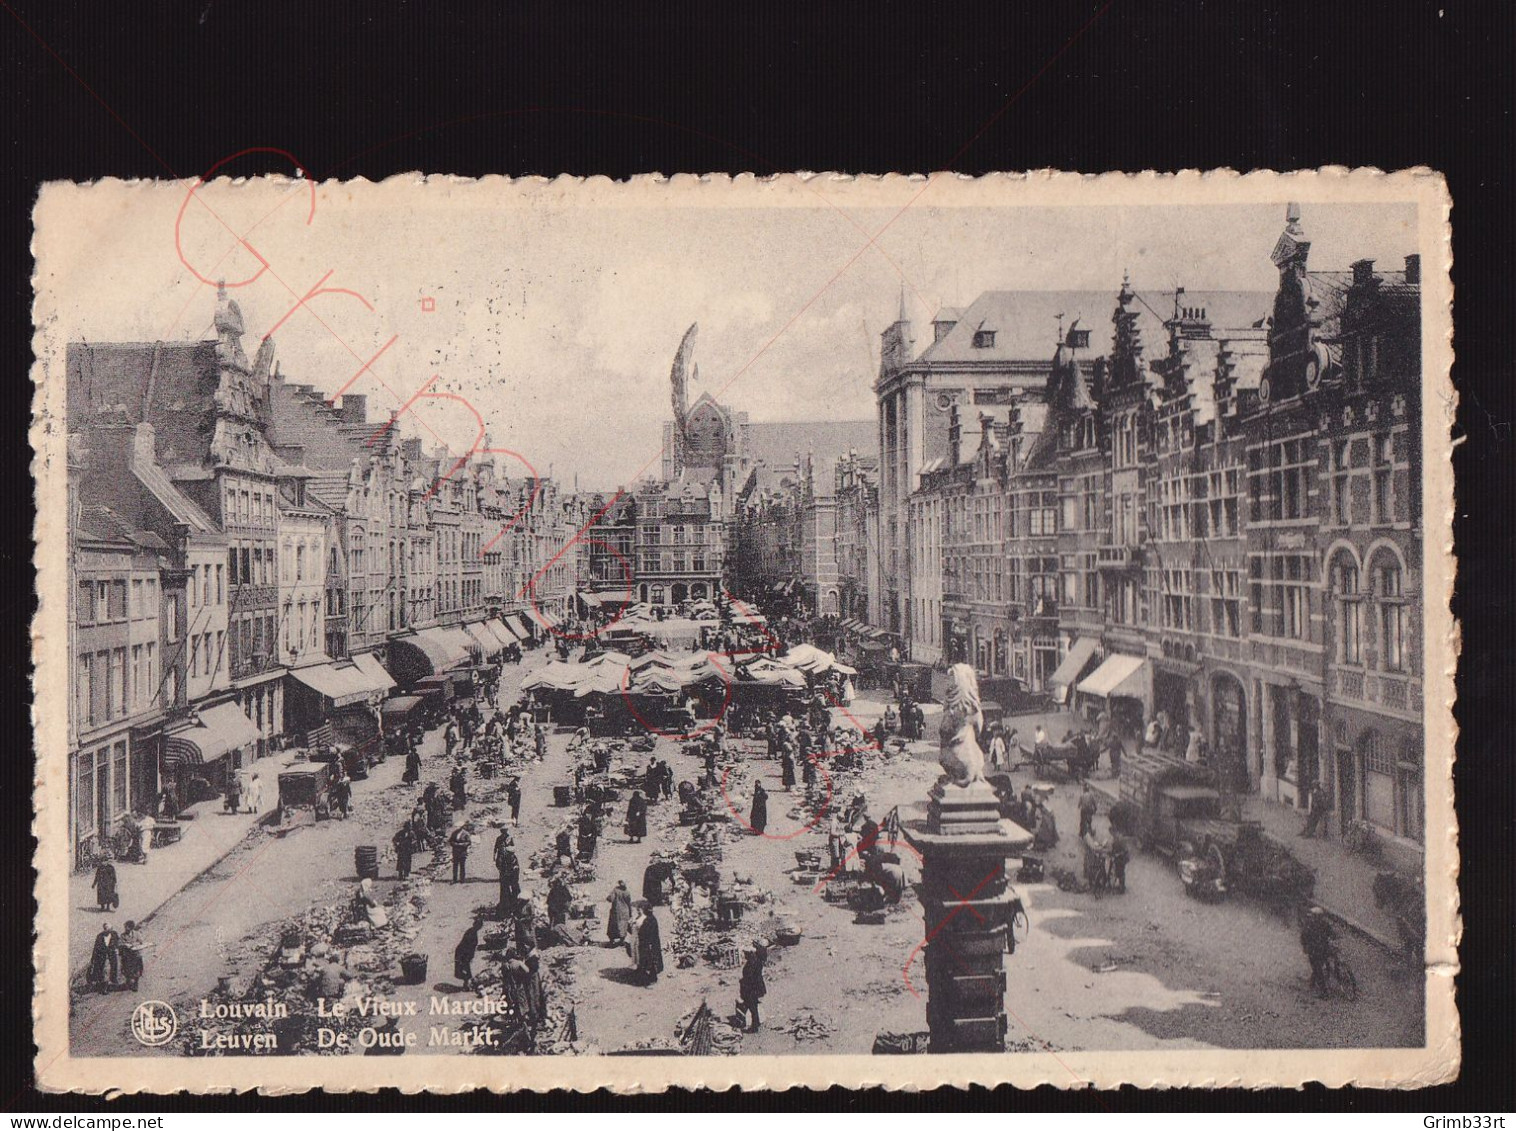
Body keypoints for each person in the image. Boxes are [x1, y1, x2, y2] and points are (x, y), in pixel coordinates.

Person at [1299, 906, 1338, 997]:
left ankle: (1324, 992)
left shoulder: (1309, 925)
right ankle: (1312, 983)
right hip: (1324, 950)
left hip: (1314, 950)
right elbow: (1332, 934)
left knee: (1317, 968)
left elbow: (1303, 937)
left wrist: (1305, 946)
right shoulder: (1325, 924)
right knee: (1318, 966)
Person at [735, 940, 769, 1032]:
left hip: (752, 988)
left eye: (746, 954)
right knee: (753, 1006)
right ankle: (755, 1022)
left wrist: (743, 982)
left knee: (752, 1006)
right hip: (756, 986)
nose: (744, 956)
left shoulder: (751, 963)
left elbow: (749, 977)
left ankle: (754, 1026)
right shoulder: (757, 960)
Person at [118, 920, 152, 992]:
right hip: (127, 956)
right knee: (126, 970)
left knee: (137, 971)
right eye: (125, 927)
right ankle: (128, 982)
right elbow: (119, 944)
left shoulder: (137, 934)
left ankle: (136, 984)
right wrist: (125, 945)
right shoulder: (122, 935)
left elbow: (141, 942)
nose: (125, 929)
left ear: (131, 928)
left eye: (127, 927)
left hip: (136, 955)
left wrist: (134, 944)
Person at [635, 903, 664, 985]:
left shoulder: (647, 921)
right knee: (652, 960)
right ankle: (650, 976)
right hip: (653, 943)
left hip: (647, 944)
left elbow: (643, 932)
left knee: (649, 961)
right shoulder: (653, 919)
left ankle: (649, 978)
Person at [87, 923, 119, 992]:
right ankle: (104, 988)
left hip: (111, 956)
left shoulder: (114, 934)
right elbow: (96, 948)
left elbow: (118, 943)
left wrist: (117, 949)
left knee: (111, 970)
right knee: (104, 971)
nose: (107, 931)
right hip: (102, 957)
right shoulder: (99, 936)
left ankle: (110, 984)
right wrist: (93, 959)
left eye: (109, 929)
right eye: (105, 929)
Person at [494, 830, 520, 915]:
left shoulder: (513, 860)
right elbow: (496, 848)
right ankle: (506, 908)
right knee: (505, 892)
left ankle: (515, 905)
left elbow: (515, 872)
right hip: (506, 877)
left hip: (511, 878)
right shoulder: (505, 858)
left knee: (514, 890)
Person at [454, 916, 483, 991]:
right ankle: (466, 985)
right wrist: (468, 957)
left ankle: (467, 984)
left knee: (466, 969)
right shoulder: (471, 933)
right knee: (464, 969)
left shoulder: (472, 932)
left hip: (465, 953)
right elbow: (467, 946)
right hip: (462, 953)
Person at [606, 879, 633, 946]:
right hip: (625, 912)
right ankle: (622, 940)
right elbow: (629, 903)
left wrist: (608, 896)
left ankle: (612, 940)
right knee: (623, 926)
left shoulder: (615, 890)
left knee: (613, 926)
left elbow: (610, 899)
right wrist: (630, 913)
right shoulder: (627, 892)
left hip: (616, 911)